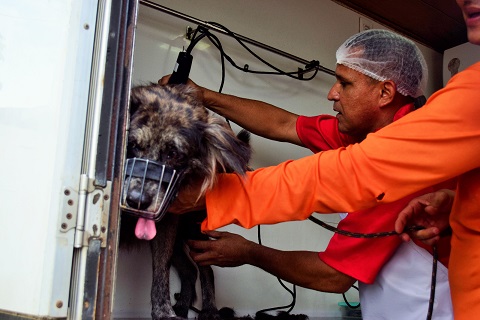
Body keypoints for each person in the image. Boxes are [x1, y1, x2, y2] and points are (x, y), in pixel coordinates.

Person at [166, 0, 480, 318]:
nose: (331, 93)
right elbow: (284, 124)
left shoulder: (410, 168)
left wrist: (245, 245)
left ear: (385, 93)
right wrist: (204, 96)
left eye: (345, 83)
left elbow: (334, 275)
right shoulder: (359, 131)